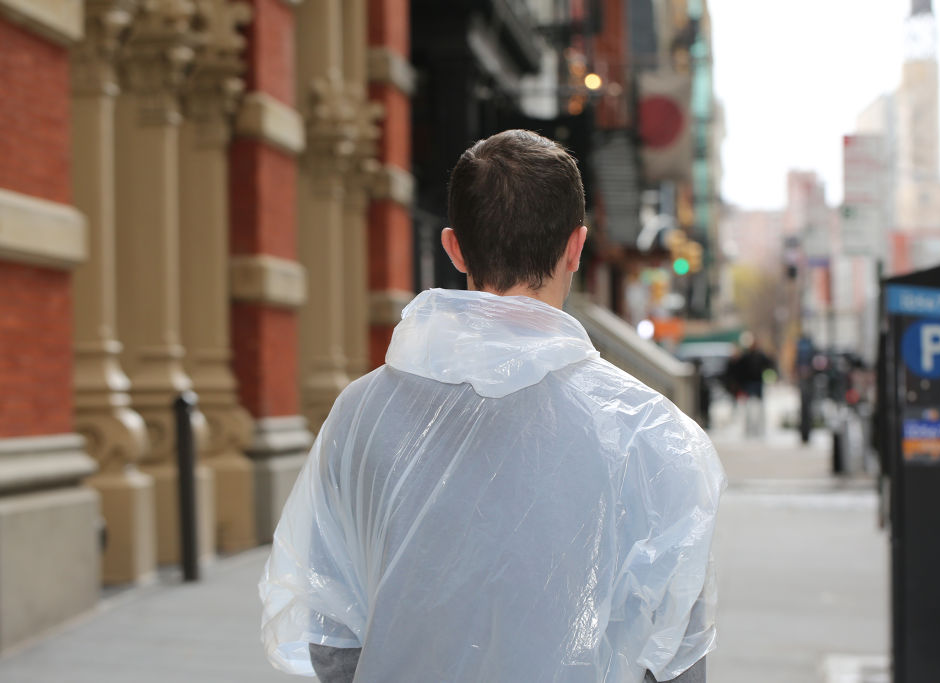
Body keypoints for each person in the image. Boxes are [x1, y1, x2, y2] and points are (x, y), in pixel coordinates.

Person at [258, 130, 726, 683]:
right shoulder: (654, 432)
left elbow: (330, 632)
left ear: (453, 247)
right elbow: (675, 656)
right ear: (576, 246)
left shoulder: (360, 414)